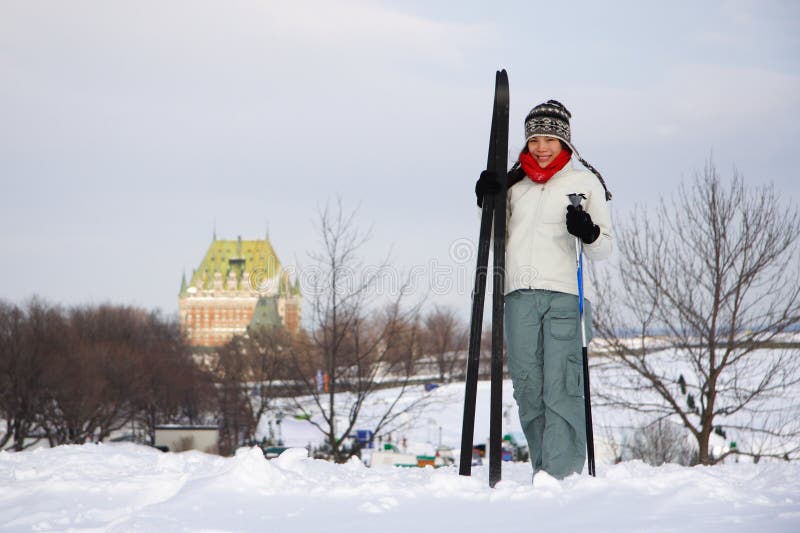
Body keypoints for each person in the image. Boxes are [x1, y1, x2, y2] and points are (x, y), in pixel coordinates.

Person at [474, 100, 613, 479]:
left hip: (564, 295)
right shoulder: (514, 185)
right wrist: (487, 199)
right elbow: (496, 236)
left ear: (564, 141)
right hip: (518, 295)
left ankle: (561, 475)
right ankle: (543, 469)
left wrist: (588, 231)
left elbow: (603, 248)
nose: (541, 147)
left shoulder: (584, 184)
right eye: (534, 139)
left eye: (549, 139)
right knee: (528, 387)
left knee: (561, 386)